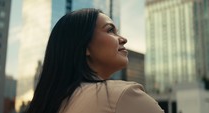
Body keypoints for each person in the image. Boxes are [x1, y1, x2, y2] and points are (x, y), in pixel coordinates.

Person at [25, 8, 164, 113]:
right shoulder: (121, 96)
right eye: (110, 30)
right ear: (84, 46)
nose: (123, 39)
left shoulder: (50, 104)